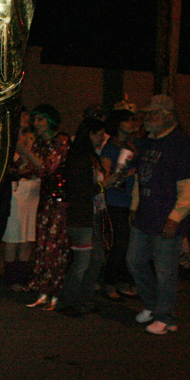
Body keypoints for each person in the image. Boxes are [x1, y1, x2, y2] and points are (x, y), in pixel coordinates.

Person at [127, 94, 190, 335]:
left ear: (167, 117)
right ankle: (153, 305)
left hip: (166, 217)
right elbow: (140, 176)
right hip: (145, 214)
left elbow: (188, 187)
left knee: (165, 269)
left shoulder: (181, 145)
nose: (146, 119)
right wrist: (135, 206)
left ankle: (166, 317)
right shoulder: (149, 142)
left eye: (152, 114)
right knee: (134, 261)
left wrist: (175, 217)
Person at [56, 117, 119, 317]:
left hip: (92, 214)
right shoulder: (80, 158)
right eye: (100, 134)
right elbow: (80, 190)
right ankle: (67, 301)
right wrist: (104, 185)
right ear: (90, 135)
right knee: (82, 262)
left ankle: (84, 299)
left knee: (97, 259)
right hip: (80, 216)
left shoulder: (91, 157)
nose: (103, 138)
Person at [16, 103, 70, 310]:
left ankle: (55, 291)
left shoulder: (61, 141)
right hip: (45, 201)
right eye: (35, 119)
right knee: (43, 246)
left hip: (61, 201)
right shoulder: (38, 144)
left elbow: (48, 167)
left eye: (41, 119)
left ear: (50, 120)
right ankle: (43, 289)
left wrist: (25, 152)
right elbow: (29, 169)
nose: (36, 124)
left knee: (55, 247)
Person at [99, 109, 141, 299]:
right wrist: (127, 173)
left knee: (130, 244)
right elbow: (106, 178)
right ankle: (109, 282)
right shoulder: (110, 148)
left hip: (130, 201)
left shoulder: (132, 146)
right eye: (126, 120)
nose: (131, 123)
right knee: (119, 243)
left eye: (133, 120)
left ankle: (123, 280)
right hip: (115, 200)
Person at [2, 113, 40, 292]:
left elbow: (41, 168)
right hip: (17, 195)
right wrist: (24, 151)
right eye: (25, 134)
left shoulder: (37, 150)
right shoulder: (14, 150)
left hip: (33, 194)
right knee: (13, 236)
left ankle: (22, 277)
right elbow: (19, 168)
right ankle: (11, 278)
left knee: (27, 236)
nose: (29, 139)